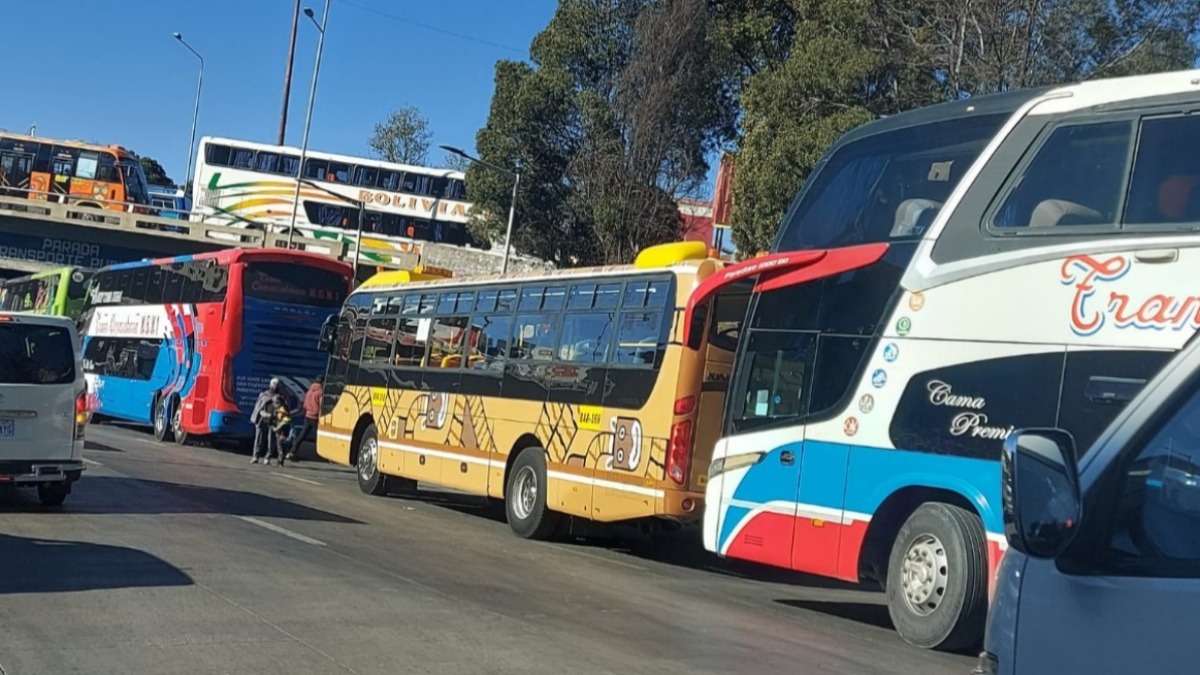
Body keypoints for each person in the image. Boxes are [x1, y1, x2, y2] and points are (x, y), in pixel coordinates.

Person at [287, 375, 323, 462]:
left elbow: (305, 404)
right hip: (316, 417)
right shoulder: (320, 392)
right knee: (321, 436)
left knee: (302, 435)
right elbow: (322, 405)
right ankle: (325, 454)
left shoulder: (309, 391)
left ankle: (292, 451)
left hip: (308, 416)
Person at [250, 378, 281, 465]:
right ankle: (255, 456)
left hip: (274, 421)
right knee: (259, 439)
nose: (275, 387)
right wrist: (266, 415)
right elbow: (258, 409)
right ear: (270, 385)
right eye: (274, 385)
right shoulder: (264, 395)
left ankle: (267, 457)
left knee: (271, 440)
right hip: (262, 419)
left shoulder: (280, 397)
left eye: (277, 385)